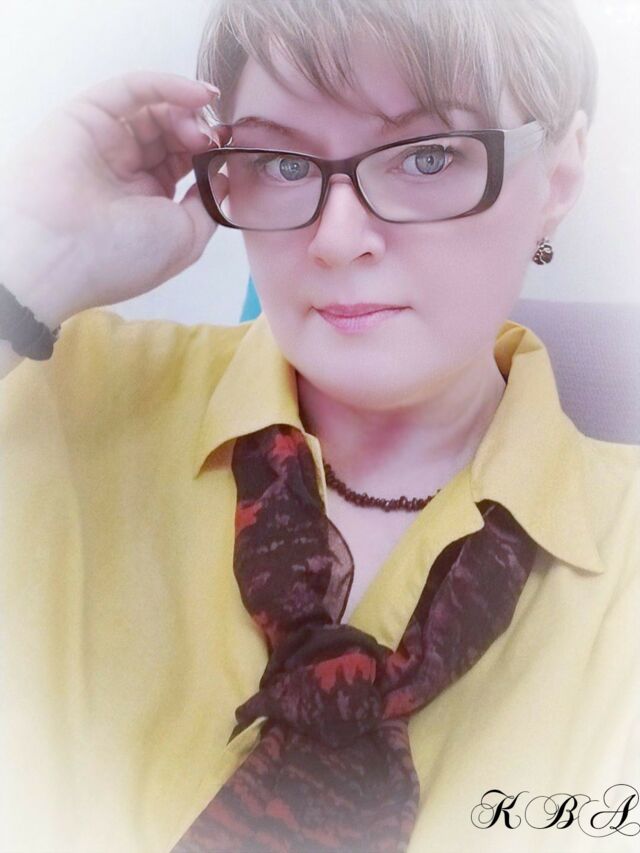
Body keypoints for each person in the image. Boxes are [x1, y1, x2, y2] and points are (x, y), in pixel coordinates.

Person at [0, 1, 638, 851]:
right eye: (282, 162)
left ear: (558, 176)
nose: (337, 240)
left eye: (428, 155)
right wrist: (26, 262)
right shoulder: (54, 391)